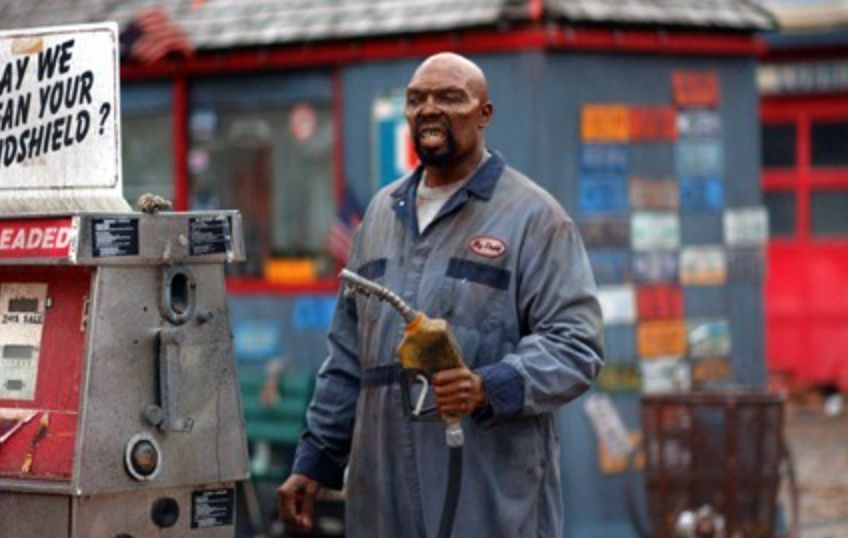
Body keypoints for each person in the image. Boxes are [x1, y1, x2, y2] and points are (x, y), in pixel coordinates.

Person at [278, 52, 604, 538]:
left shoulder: (534, 219)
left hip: (489, 499)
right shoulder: (380, 217)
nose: (430, 109)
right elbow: (349, 357)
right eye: (417, 100)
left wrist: (489, 386)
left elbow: (575, 344)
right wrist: (317, 459)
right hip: (382, 501)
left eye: (451, 98)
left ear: (484, 114)